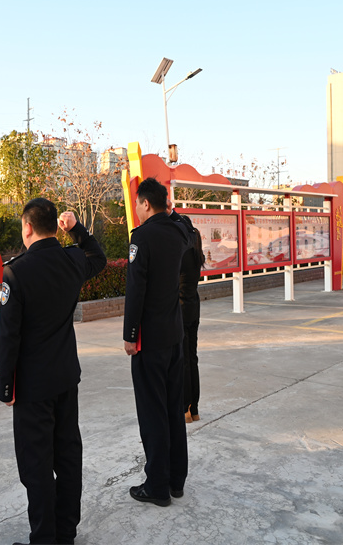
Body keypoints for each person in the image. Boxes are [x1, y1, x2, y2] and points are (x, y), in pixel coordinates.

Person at [0, 198, 106, 545]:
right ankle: (65, 532)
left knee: (37, 465)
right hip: (65, 377)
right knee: (68, 455)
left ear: (28, 227)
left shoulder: (16, 272)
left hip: (32, 386)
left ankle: (44, 538)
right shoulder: (72, 259)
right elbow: (98, 257)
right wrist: (76, 229)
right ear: (53, 227)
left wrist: (6, 387)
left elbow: (9, 336)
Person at [123, 177, 190, 507]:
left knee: (153, 413)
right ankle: (176, 480)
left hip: (149, 340)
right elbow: (185, 223)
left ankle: (157, 486)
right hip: (175, 335)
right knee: (173, 409)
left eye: (138, 203)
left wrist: (130, 334)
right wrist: (171, 211)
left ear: (146, 204)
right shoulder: (179, 232)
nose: (136, 209)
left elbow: (136, 290)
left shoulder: (142, 237)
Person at [179, 217, 206, 423]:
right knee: (192, 358)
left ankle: (185, 408)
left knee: (183, 361)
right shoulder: (197, 252)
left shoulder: (182, 253)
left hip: (180, 310)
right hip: (193, 308)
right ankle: (194, 409)